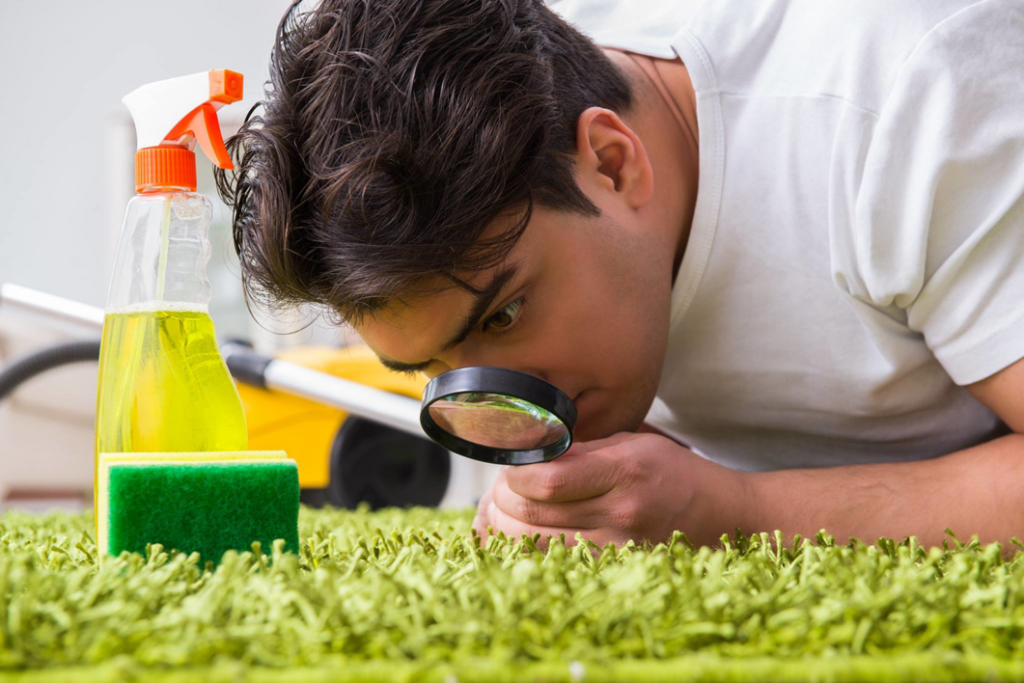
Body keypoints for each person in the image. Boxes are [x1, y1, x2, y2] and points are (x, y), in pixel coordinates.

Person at [216, 0, 1024, 552]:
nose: (509, 425)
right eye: (431, 368)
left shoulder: (907, 102)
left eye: (504, 315)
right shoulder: (548, 107)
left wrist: (743, 512)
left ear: (612, 162)